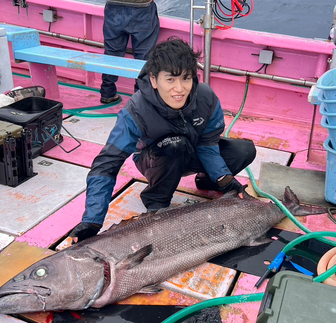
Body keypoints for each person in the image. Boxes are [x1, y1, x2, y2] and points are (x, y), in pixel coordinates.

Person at [69, 38, 256, 242]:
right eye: (170, 80)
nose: (180, 89)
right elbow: (107, 165)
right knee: (175, 143)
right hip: (155, 159)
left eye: (186, 78)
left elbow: (207, 143)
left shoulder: (206, 97)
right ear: (153, 80)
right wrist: (93, 220)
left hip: (191, 150)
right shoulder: (135, 111)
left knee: (244, 150)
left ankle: (207, 180)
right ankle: (156, 199)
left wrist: (226, 181)